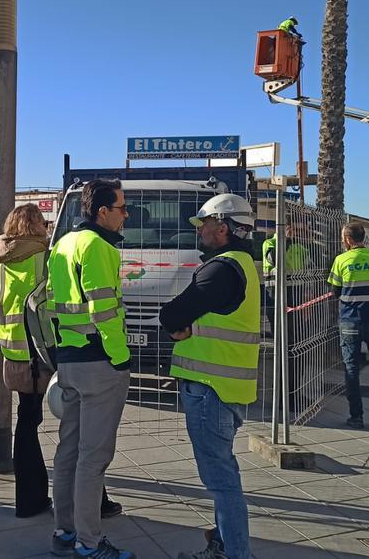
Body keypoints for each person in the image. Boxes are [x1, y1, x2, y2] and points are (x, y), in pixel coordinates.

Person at [160, 194, 259, 559]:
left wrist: (175, 325)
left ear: (224, 226)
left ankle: (235, 553)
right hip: (226, 389)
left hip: (210, 390)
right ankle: (223, 545)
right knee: (223, 475)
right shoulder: (245, 264)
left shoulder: (220, 269)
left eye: (204, 224)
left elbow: (172, 314)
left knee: (221, 482)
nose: (200, 230)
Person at [47, 179, 135, 559]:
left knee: (69, 451)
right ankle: (89, 542)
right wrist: (121, 357)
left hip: (68, 358)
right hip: (100, 361)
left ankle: (65, 530)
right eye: (121, 208)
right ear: (102, 212)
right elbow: (105, 310)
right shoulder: (98, 247)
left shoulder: (63, 244)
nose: (125, 215)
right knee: (93, 456)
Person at [0, 203, 54, 517]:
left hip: (13, 352)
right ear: (36, 226)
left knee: (27, 422)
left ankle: (31, 495)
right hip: (39, 354)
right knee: (31, 426)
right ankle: (30, 500)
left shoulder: (4, 261)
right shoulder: (43, 258)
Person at [328, 223, 369, 431]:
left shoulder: (341, 260)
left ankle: (356, 416)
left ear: (347, 240)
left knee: (351, 368)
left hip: (350, 319)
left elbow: (335, 290)